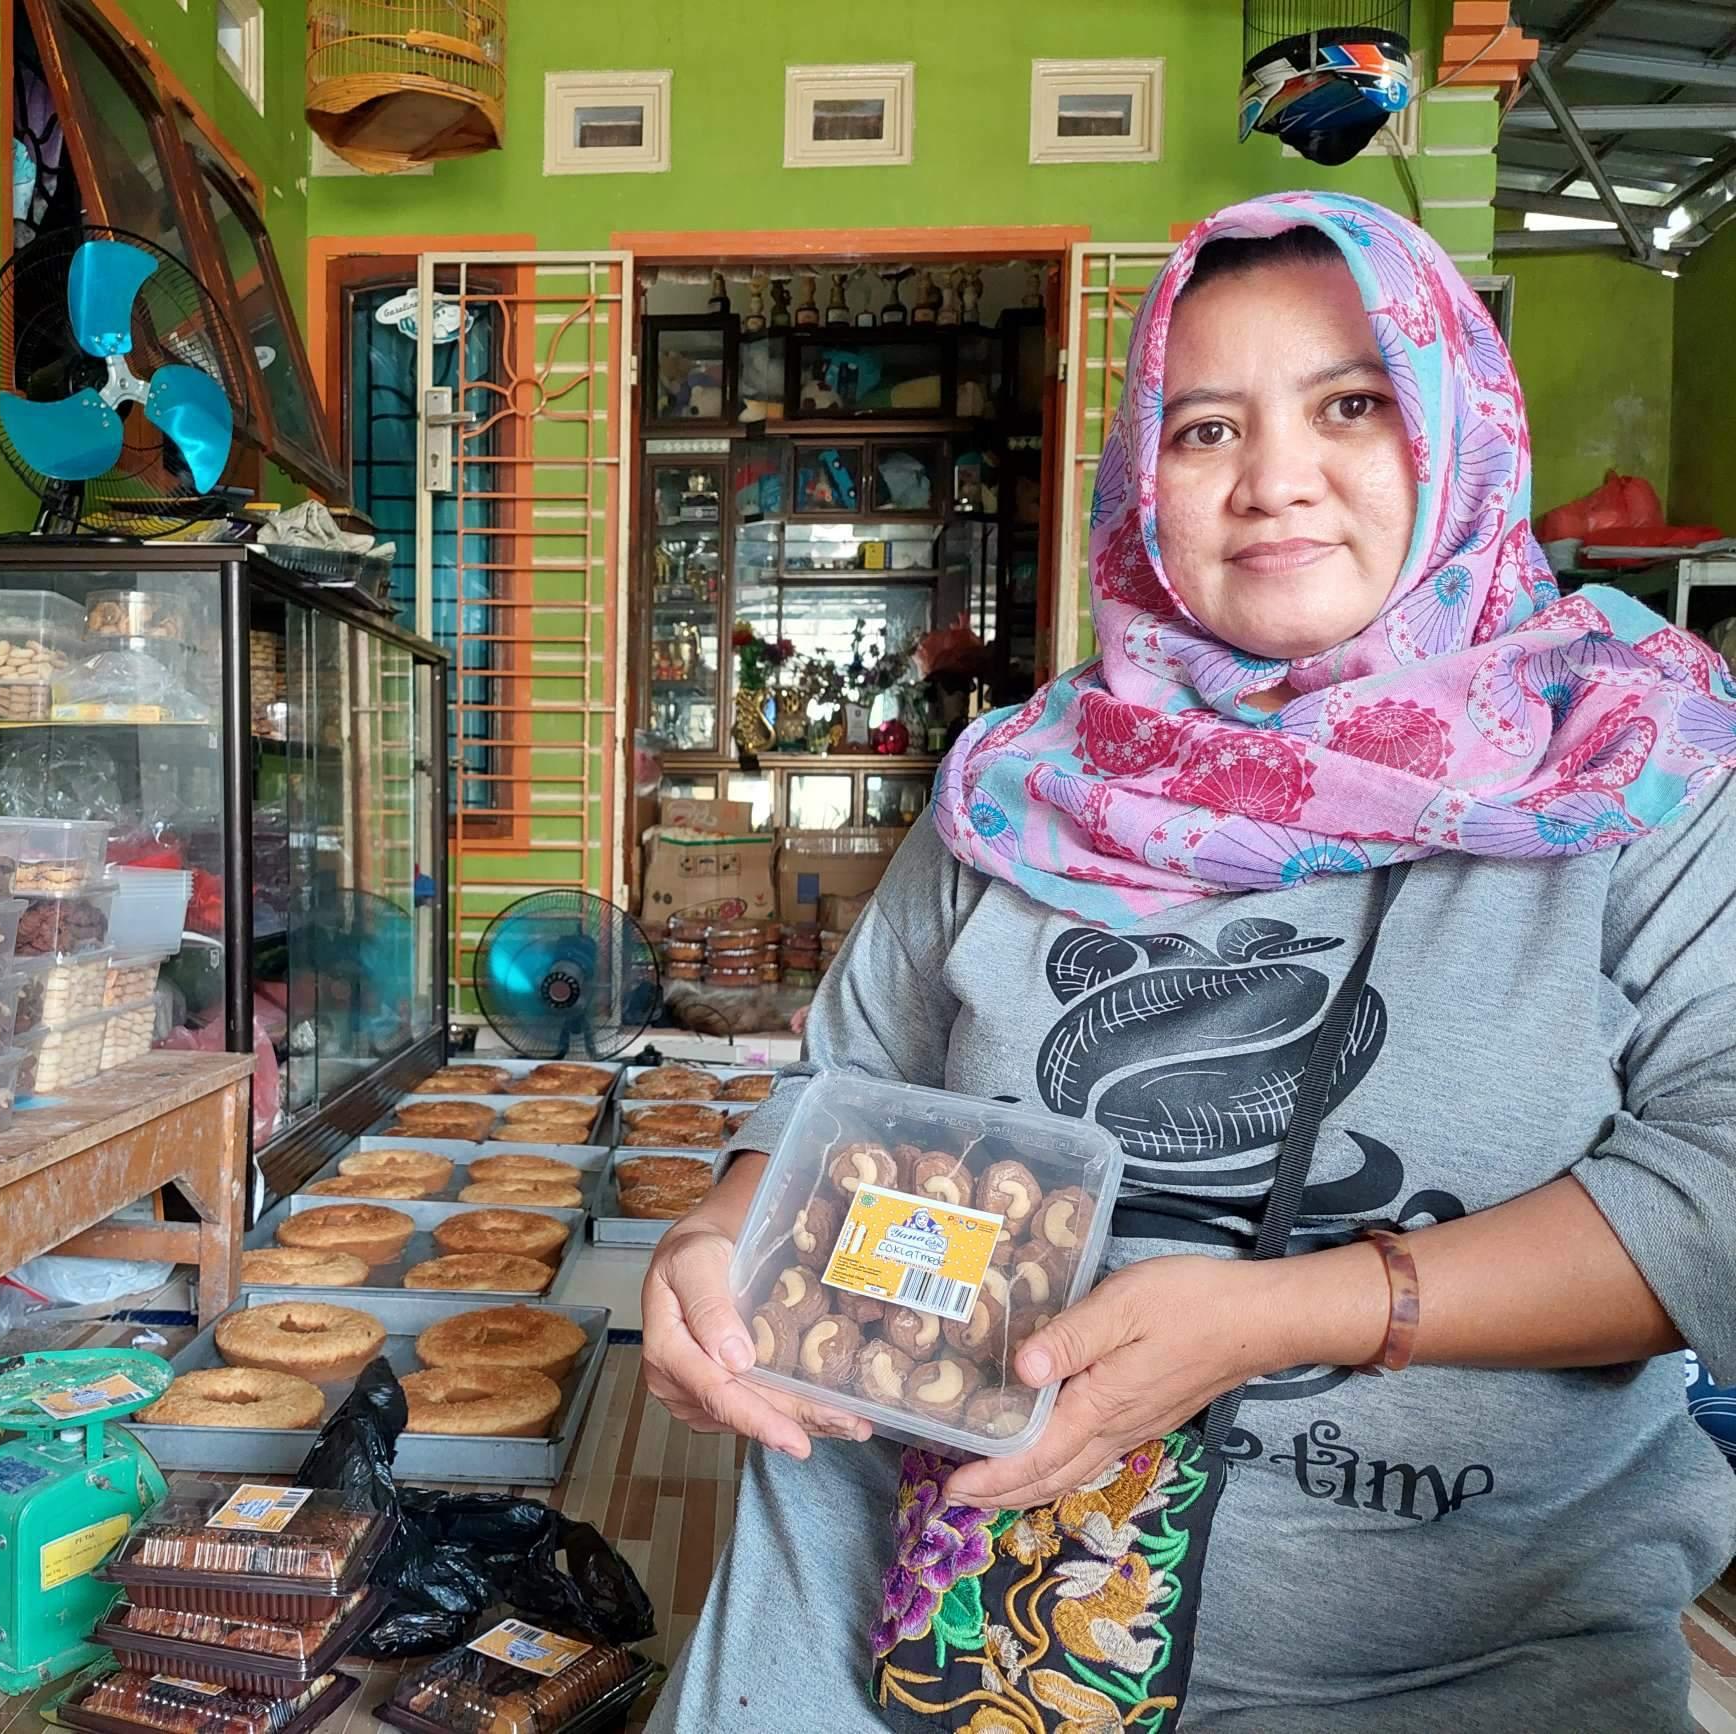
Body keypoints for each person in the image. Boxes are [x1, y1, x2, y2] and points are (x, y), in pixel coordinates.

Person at [641, 192, 1736, 1734]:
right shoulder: (1019, 786)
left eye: (1353, 404)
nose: (1276, 481)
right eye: (1206, 428)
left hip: (1452, 1671)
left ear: (1460, 427)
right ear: (1140, 477)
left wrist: (1295, 1310)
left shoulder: (1641, 771)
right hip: (910, 1621)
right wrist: (717, 1241)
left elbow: (1723, 1196)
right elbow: (844, 1089)